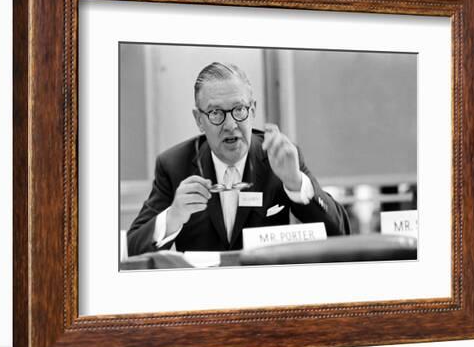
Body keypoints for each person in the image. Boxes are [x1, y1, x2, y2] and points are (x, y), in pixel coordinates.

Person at [127, 62, 350, 255]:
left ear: (252, 110)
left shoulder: (279, 157)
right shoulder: (174, 165)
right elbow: (132, 247)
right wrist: (174, 216)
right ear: (199, 119)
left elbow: (340, 233)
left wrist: (296, 183)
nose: (231, 125)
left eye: (239, 110)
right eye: (216, 113)